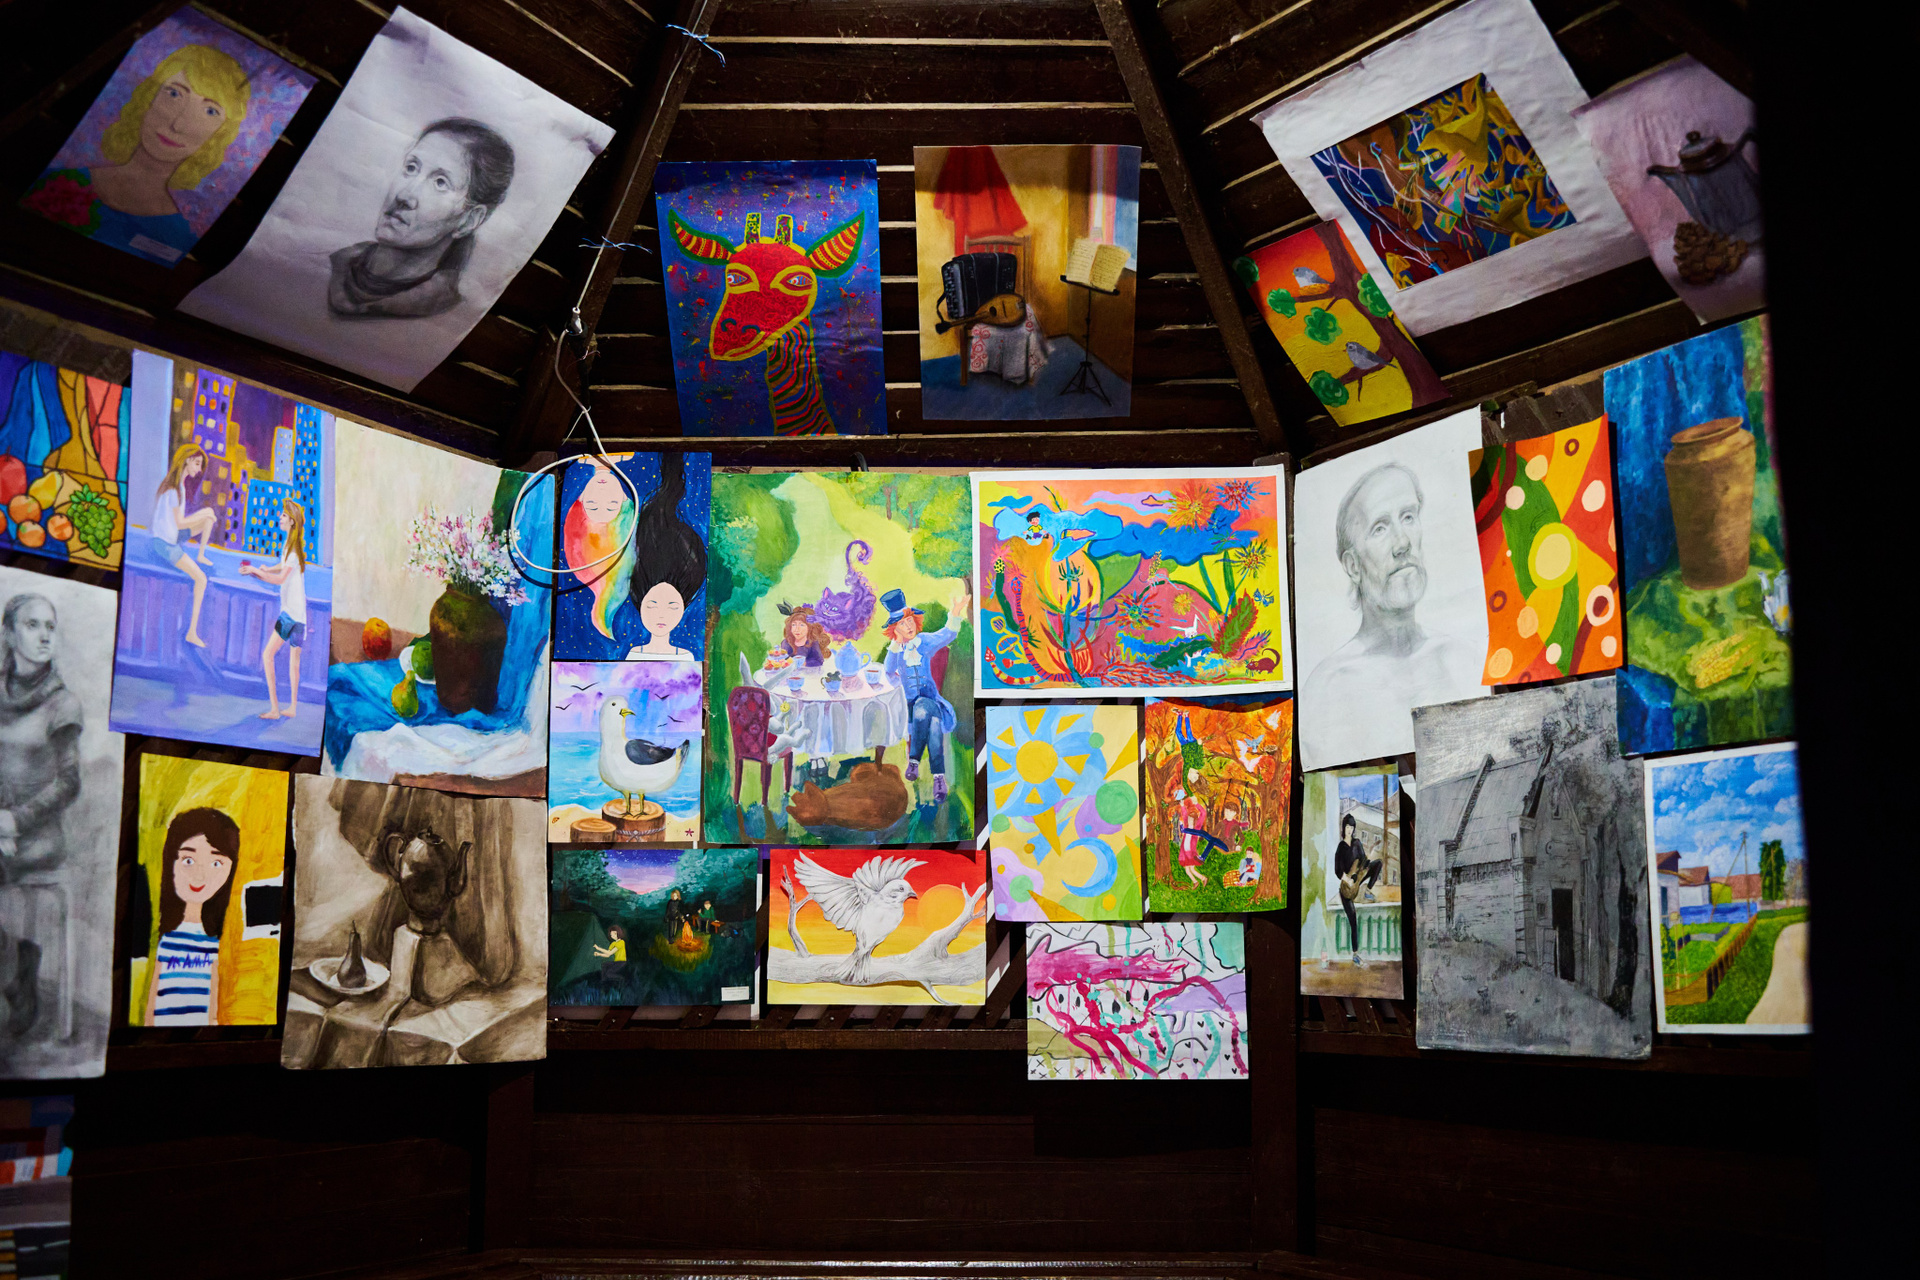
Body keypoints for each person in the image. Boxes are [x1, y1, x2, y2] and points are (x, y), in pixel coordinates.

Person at [1300, 462, 1481, 766]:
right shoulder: (1329, 689)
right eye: (1380, 528)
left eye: (1408, 517)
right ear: (1353, 566)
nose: (1403, 544)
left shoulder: (1464, 660)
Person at [23, 44, 249, 265]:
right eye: (174, 94)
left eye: (210, 111)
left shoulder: (178, 236)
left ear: (220, 134)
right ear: (148, 98)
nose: (178, 124)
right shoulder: (59, 183)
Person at [328, 118, 516, 320]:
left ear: (469, 220)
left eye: (440, 183)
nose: (403, 196)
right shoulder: (333, 264)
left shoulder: (444, 315)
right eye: (411, 168)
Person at [0, 593, 82, 876]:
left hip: (38, 849)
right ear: (9, 635)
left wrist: (14, 821)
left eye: (50, 627)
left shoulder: (63, 704)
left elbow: (68, 782)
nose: (45, 636)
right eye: (32, 625)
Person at [142, 807, 239, 1025]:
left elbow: (212, 996)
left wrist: (212, 1024)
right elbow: (154, 994)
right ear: (171, 861)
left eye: (216, 863)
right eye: (188, 860)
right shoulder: (167, 936)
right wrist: (148, 1026)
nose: (200, 875)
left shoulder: (212, 940)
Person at [877, 583, 970, 804]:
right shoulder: (897, 650)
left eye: (910, 620)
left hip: (930, 699)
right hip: (908, 706)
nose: (908, 626)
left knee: (926, 710)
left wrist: (956, 611)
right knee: (930, 719)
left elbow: (947, 634)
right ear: (895, 629)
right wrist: (896, 644)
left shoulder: (924, 642)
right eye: (902, 623)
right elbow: (888, 670)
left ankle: (914, 762)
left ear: (915, 621)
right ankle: (939, 778)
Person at [625, 454, 705, 661]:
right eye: (652, 605)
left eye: (672, 607)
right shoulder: (632, 654)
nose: (661, 615)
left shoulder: (687, 657)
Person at [239, 497, 307, 719]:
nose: (280, 518)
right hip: (300, 616)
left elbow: (280, 580)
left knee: (268, 655)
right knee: (294, 663)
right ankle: (293, 708)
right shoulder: (292, 548)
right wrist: (269, 568)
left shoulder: (292, 550)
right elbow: (285, 566)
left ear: (292, 521)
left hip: (289, 615)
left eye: (284, 515)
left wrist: (255, 571)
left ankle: (275, 709)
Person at [149, 443, 217, 648]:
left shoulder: (179, 485)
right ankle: (191, 633)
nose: (199, 469)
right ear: (187, 461)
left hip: (171, 537)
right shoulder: (173, 490)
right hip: (165, 545)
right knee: (201, 579)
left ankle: (201, 555)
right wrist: (202, 513)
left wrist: (204, 515)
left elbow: (177, 524)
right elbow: (179, 523)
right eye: (197, 463)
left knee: (208, 518)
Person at [1334, 812, 1382, 965]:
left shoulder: (1357, 843)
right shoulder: (1341, 847)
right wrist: (1347, 880)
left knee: (1378, 863)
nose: (1350, 830)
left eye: (1352, 827)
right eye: (1347, 827)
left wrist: (1370, 855)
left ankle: (1367, 891)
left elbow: (1363, 862)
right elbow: (1337, 870)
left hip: (1357, 881)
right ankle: (1355, 954)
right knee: (1353, 919)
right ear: (1344, 828)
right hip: (1346, 888)